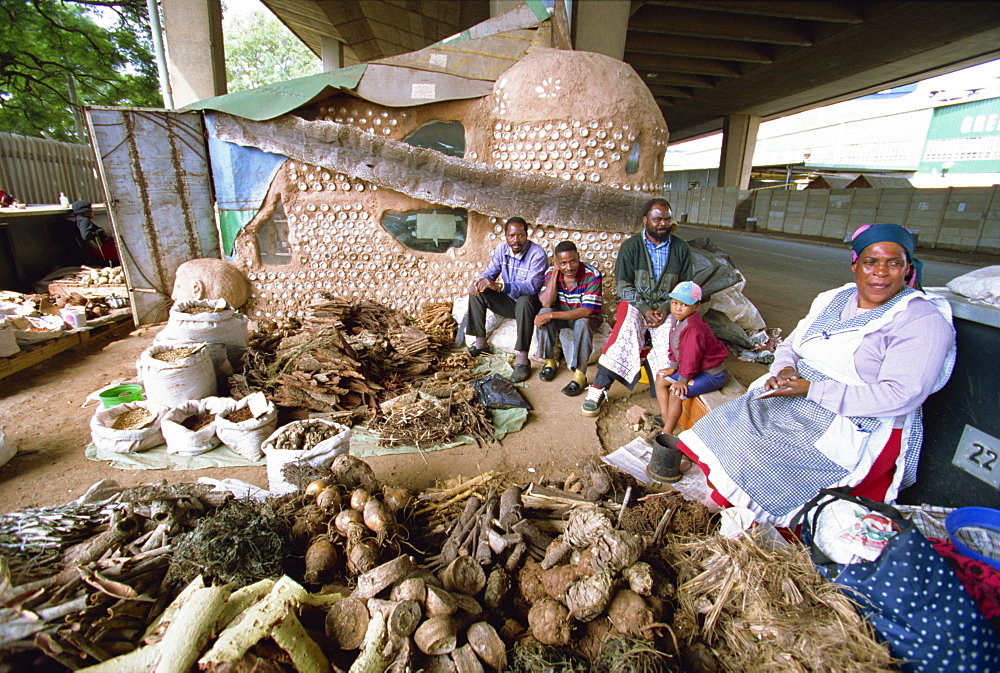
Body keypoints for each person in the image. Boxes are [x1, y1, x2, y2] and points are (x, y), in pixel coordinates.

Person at [676, 223, 956, 527]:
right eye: (871, 262)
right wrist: (783, 370)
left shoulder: (922, 321)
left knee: (760, 458)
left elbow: (902, 395)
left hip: (858, 416)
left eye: (894, 263)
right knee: (727, 423)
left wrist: (812, 390)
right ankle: (724, 495)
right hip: (798, 393)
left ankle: (751, 519)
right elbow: (792, 345)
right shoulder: (833, 299)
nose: (880, 272)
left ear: (908, 269)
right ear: (855, 265)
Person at [581, 198, 693, 416]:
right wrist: (644, 308)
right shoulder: (631, 247)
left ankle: (665, 389)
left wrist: (665, 308)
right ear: (645, 220)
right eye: (657, 219)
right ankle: (598, 388)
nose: (663, 224)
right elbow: (623, 284)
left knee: (672, 333)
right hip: (636, 304)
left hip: (667, 307)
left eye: (667, 219)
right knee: (627, 328)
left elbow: (686, 285)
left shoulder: (681, 248)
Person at [467, 217, 547, 382]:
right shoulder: (501, 250)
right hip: (509, 303)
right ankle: (481, 344)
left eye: (520, 235)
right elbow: (490, 272)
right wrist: (478, 282)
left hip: (530, 306)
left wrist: (500, 287)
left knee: (525, 300)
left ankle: (523, 360)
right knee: (478, 292)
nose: (516, 240)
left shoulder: (537, 254)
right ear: (505, 236)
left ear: (527, 234)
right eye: (511, 236)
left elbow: (532, 287)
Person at [650, 281, 728, 434]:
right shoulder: (677, 319)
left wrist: (682, 379)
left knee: (676, 392)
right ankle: (667, 419)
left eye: (684, 304)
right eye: (674, 303)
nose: (677, 308)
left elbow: (692, 357)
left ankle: (667, 433)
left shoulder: (693, 327)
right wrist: (673, 365)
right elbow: (674, 343)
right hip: (694, 368)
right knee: (660, 380)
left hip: (711, 374)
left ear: (696, 306)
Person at [534, 241, 603, 396]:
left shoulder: (592, 274)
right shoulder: (551, 272)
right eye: (563, 263)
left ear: (578, 257)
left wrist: (551, 314)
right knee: (543, 311)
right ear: (556, 262)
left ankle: (580, 375)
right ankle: (550, 362)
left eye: (572, 261)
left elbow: (586, 312)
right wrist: (555, 274)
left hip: (589, 317)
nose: (569, 267)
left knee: (582, 323)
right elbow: (546, 302)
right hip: (564, 315)